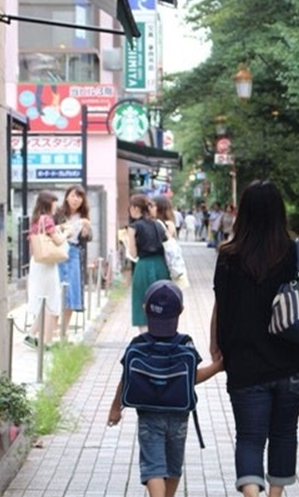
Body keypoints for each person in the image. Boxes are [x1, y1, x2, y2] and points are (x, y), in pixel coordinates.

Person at [210, 180, 299, 497]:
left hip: (244, 363)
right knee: (285, 432)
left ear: (244, 213)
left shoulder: (228, 256)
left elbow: (221, 305)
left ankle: (251, 494)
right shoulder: (298, 253)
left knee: (249, 437)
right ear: (279, 213)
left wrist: (214, 344)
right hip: (293, 365)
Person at [107, 280, 223, 497]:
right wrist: (217, 367)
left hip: (148, 415)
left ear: (145, 309)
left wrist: (115, 408)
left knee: (153, 467)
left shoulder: (137, 344)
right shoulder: (185, 344)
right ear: (181, 310)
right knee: (173, 467)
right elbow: (193, 379)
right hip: (179, 416)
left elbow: (126, 379)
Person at [25, 190, 72, 348]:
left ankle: (32, 334)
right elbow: (58, 241)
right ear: (48, 204)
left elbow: (46, 233)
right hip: (47, 265)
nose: (55, 207)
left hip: (38, 262)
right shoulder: (46, 219)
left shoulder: (36, 219)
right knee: (51, 301)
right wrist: (67, 233)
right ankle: (47, 341)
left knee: (45, 301)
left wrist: (59, 227)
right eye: (54, 204)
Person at [127, 194, 170, 332]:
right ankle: (162, 333)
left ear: (135, 208)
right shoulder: (158, 224)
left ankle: (146, 337)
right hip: (161, 266)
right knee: (161, 301)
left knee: (142, 302)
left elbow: (133, 254)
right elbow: (168, 243)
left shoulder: (134, 227)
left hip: (144, 266)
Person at [54, 185, 92, 339]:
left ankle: (64, 331)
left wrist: (85, 231)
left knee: (72, 290)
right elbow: (51, 230)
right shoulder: (59, 213)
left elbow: (88, 238)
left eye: (79, 196)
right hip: (58, 252)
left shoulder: (84, 216)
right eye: (73, 196)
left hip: (74, 252)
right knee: (57, 290)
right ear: (67, 197)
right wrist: (63, 228)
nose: (76, 199)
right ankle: (52, 328)